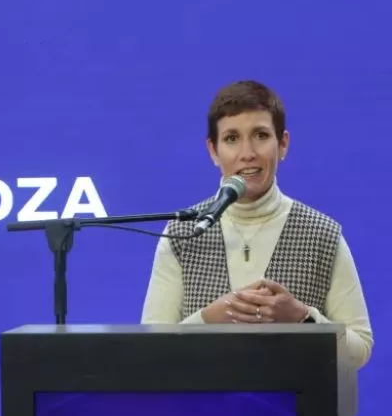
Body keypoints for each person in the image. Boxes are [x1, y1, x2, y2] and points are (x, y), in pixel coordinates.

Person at [140, 80, 373, 370]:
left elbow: (360, 350)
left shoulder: (322, 234)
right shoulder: (183, 232)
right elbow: (152, 352)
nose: (247, 152)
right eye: (231, 138)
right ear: (213, 150)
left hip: (297, 399)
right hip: (204, 399)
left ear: (283, 144)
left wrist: (302, 318)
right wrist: (207, 320)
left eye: (261, 135)